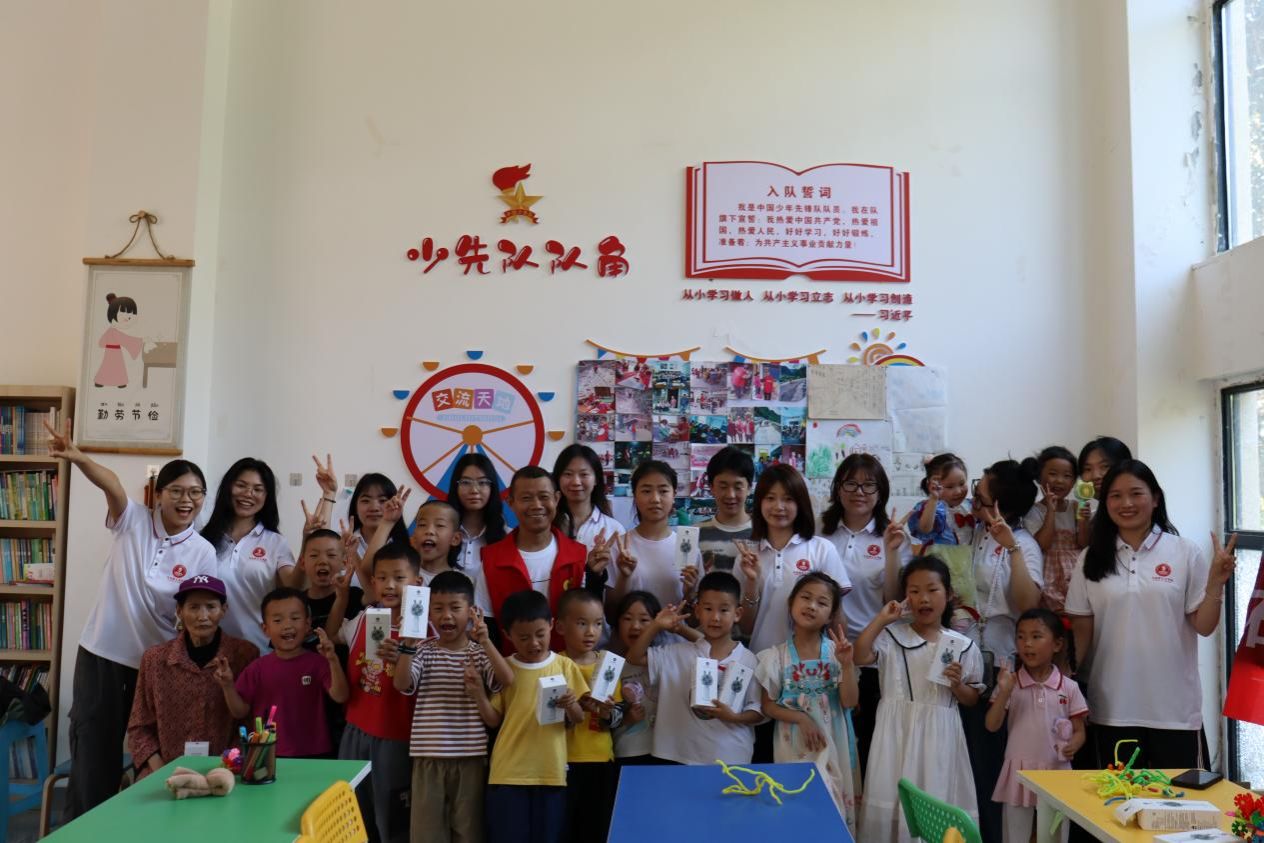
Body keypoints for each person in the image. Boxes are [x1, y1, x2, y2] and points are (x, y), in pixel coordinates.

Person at [46, 418, 218, 820]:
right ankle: (85, 831)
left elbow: (199, 610)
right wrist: (77, 457)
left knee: (155, 756)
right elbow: (111, 484)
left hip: (157, 665)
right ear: (159, 494)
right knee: (93, 753)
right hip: (102, 654)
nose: (186, 500)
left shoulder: (203, 551)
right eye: (177, 491)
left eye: (195, 493)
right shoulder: (133, 520)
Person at [1066, 460, 1236, 769]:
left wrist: (1215, 584)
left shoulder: (1184, 552)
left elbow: (1204, 626)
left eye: (1136, 493)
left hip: (1175, 711)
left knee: (1183, 800)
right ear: (1105, 502)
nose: (1126, 503)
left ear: (1155, 498)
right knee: (1116, 799)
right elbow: (1081, 631)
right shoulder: (1090, 558)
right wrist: (1062, 682)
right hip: (1111, 708)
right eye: (1116, 496)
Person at [855, 557, 983, 843]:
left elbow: (972, 698)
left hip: (941, 738)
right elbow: (860, 655)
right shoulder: (891, 636)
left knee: (936, 801)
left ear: (948, 594)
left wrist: (957, 684)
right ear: (905, 597)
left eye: (932, 590)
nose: (923, 598)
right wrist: (882, 618)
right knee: (891, 799)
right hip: (895, 735)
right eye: (914, 591)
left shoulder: (964, 646)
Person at [395, 570, 513, 843]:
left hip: (470, 758)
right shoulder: (423, 649)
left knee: (468, 831)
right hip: (428, 758)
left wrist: (485, 641)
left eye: (455, 608)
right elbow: (402, 683)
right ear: (427, 613)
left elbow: (507, 679)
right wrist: (408, 645)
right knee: (426, 833)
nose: (446, 616)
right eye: (438, 609)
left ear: (471, 612)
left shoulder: (478, 652)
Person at [967, 459, 1044, 842]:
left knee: (992, 757)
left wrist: (1011, 548)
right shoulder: (975, 532)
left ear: (1001, 506)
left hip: (1001, 663)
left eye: (980, 497)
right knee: (969, 758)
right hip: (968, 658)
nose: (973, 501)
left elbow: (1028, 605)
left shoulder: (1024, 545)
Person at [819, 454, 909, 772]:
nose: (859, 492)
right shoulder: (819, 531)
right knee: (827, 742)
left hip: (872, 655)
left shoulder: (894, 535)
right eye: (851, 484)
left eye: (869, 485)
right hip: (824, 650)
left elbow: (894, 601)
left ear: (881, 492)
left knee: (868, 743)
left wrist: (891, 552)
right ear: (838, 488)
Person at [330, 541, 422, 843]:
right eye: (382, 578)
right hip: (355, 732)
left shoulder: (428, 632)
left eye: (399, 577)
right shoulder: (365, 619)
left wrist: (404, 657)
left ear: (418, 582)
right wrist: (342, 597)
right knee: (353, 816)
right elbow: (332, 635)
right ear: (372, 582)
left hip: (397, 738)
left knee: (393, 822)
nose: (390, 585)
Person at [624, 571, 764, 765]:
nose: (715, 617)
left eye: (724, 610)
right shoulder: (677, 653)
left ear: (737, 614)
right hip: (677, 756)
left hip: (731, 756)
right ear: (697, 611)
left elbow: (757, 710)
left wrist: (734, 717)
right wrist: (655, 625)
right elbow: (634, 657)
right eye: (708, 609)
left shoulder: (749, 660)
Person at [127, 575, 259, 779]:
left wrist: (227, 766)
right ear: (179, 611)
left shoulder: (245, 655)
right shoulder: (154, 660)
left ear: (224, 610)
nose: (202, 616)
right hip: (164, 772)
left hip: (228, 770)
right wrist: (161, 772)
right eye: (194, 607)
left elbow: (250, 722)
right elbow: (139, 727)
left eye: (211, 607)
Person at [755, 572, 861, 828]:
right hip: (794, 745)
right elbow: (768, 706)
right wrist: (801, 718)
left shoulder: (838, 653)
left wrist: (847, 665)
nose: (812, 606)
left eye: (822, 602)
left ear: (831, 615)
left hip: (834, 742)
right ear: (791, 602)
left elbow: (849, 702)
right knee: (797, 809)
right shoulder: (775, 657)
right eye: (806, 597)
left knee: (833, 811)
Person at [484, 590, 587, 843]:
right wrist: (477, 693)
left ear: (551, 625)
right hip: (508, 771)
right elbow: (493, 719)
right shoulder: (505, 667)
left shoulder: (565, 666)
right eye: (523, 637)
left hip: (550, 771)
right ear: (507, 634)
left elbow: (578, 718)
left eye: (540, 634)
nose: (534, 643)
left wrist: (571, 704)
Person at [986, 608, 1087, 843]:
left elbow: (1080, 731)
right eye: (1021, 637)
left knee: (1055, 836)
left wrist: (1074, 744)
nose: (1027, 644)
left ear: (1057, 644)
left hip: (1056, 771)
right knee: (1014, 835)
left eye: (1036, 636)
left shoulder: (1069, 687)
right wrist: (1004, 692)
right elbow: (991, 725)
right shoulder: (1010, 683)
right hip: (1018, 771)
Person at [214, 587, 349, 758]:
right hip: (269, 752)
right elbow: (239, 711)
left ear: (307, 624)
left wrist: (333, 660)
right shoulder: (257, 668)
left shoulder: (319, 662)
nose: (287, 625)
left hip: (316, 752)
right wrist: (227, 686)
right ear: (265, 628)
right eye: (278, 620)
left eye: (295, 618)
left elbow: (341, 696)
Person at [477, 466, 595, 654]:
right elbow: (488, 626)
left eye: (544, 496)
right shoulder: (492, 560)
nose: (537, 505)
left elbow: (588, 619)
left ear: (556, 499)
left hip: (568, 665)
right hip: (512, 667)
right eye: (526, 498)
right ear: (510, 502)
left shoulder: (578, 555)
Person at [738, 463, 850, 655]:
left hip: (811, 665)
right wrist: (752, 581)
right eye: (770, 498)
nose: (778, 507)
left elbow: (838, 629)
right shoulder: (748, 555)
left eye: (788, 499)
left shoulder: (822, 549)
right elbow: (746, 628)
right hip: (761, 661)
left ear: (800, 504)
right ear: (759, 503)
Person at [200, 458, 301, 650]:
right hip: (210, 650)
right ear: (228, 488)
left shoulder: (276, 542)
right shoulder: (204, 539)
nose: (248, 494)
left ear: (266, 497)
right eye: (241, 485)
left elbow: (293, 585)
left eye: (258, 489)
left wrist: (308, 541)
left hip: (259, 650)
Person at [557, 589, 623, 842]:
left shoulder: (608, 665)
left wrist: (606, 713)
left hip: (600, 759)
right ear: (560, 627)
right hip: (562, 760)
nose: (591, 632)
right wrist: (576, 707)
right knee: (564, 829)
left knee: (596, 829)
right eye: (582, 623)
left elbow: (617, 718)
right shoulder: (555, 664)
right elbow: (547, 716)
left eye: (598, 624)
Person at [607, 460, 694, 611]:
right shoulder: (620, 547)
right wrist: (624, 577)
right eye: (646, 491)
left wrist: (689, 594)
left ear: (674, 495)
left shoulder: (686, 546)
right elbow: (610, 611)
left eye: (663, 491)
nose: (655, 499)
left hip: (676, 627)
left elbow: (694, 616)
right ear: (635, 495)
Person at [1020, 447, 1080, 615]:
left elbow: (1083, 542)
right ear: (1039, 477)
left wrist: (1085, 519)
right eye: (1053, 474)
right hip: (1049, 572)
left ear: (1074, 481)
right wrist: (1051, 511)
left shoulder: (1075, 506)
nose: (1060, 481)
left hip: (1076, 571)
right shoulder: (1034, 511)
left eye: (1067, 476)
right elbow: (1043, 544)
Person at [448, 453, 508, 591]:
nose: (474, 490)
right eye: (466, 482)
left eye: (482, 483)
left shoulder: (507, 536)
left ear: (492, 487)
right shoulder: (443, 534)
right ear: (455, 486)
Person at [693, 446, 754, 574]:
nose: (730, 495)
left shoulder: (763, 533)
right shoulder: (695, 534)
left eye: (738, 487)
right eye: (723, 486)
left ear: (749, 488)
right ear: (711, 488)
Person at [1075, 437, 1133, 548]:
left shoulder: (1133, 513)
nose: (1095, 476)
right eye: (1087, 469)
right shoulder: (1093, 517)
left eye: (1105, 466)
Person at [909, 453, 974, 546]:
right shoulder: (931, 508)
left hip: (968, 555)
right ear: (933, 486)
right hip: (938, 555)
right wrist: (933, 499)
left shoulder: (970, 505)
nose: (958, 491)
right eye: (950, 487)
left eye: (962, 483)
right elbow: (925, 529)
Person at [408, 500, 463, 585]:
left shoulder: (461, 582)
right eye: (422, 524)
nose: (429, 531)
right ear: (414, 535)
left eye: (440, 525)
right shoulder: (402, 575)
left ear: (455, 538)